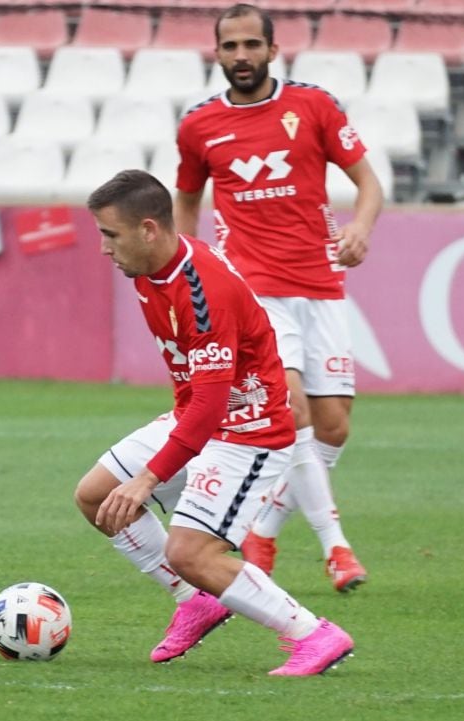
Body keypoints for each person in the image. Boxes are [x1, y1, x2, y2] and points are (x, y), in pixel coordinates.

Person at [76, 169, 354, 676]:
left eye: (110, 235)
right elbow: (198, 401)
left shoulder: (202, 291)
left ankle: (313, 634)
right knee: (97, 496)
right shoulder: (148, 269)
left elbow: (210, 401)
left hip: (249, 430)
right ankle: (195, 602)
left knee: (190, 551)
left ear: (148, 230)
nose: (103, 249)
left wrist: (149, 478)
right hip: (202, 415)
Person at [173, 3, 383, 592]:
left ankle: (263, 528)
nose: (241, 56)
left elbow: (368, 182)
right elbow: (186, 197)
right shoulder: (198, 126)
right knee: (290, 410)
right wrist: (196, 265)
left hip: (320, 283)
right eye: (230, 46)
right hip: (253, 289)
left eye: (251, 45)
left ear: (272, 49)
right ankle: (337, 549)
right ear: (217, 53)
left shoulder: (313, 106)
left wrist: (360, 227)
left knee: (333, 426)